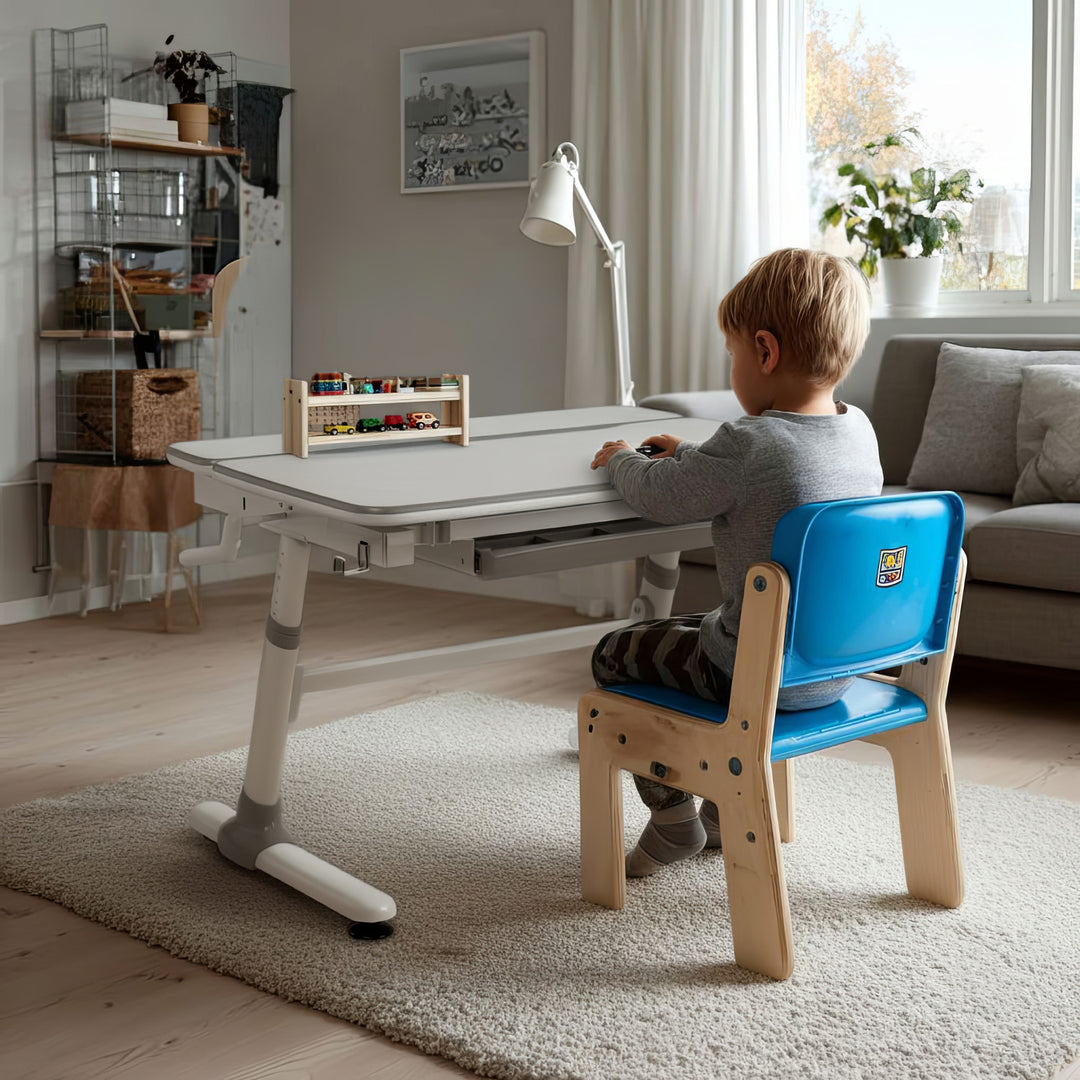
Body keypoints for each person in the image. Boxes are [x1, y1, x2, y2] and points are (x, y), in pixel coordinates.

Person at [588, 247, 883, 878]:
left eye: (733, 353)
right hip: (834, 668)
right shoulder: (859, 431)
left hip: (750, 673)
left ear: (766, 352)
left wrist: (620, 457)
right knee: (706, 624)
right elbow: (771, 474)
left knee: (615, 653)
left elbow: (659, 495)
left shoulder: (750, 443)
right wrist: (696, 452)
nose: (733, 368)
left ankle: (674, 821)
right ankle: (726, 812)